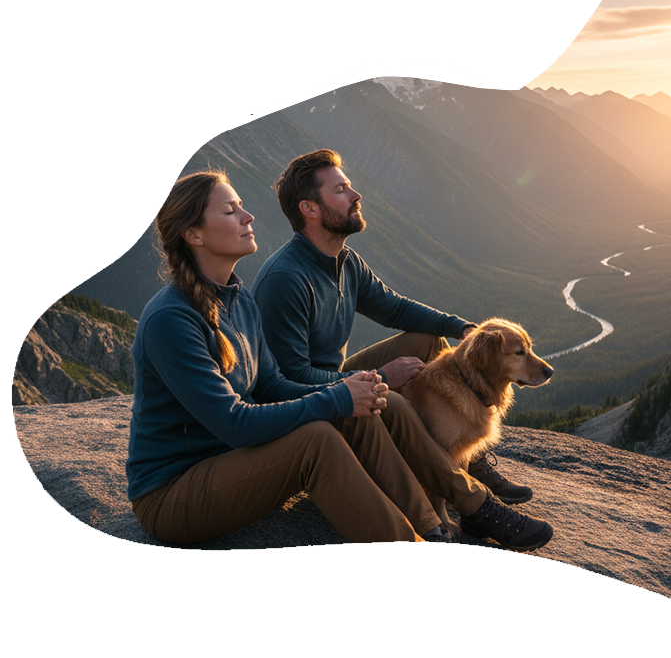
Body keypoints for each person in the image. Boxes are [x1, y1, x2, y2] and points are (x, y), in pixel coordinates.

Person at [125, 169, 520, 639]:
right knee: (317, 437)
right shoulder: (171, 319)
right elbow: (235, 424)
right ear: (193, 234)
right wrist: (335, 396)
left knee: (369, 407)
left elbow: (270, 384)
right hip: (174, 493)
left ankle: (436, 545)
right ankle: (427, 584)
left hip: (230, 464)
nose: (249, 216)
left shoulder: (237, 298)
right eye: (230, 211)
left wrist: (352, 393)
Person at [251, 149, 543, 510]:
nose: (356, 196)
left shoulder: (344, 260)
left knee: (427, 340)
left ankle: (468, 453)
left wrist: (460, 328)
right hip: (306, 402)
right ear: (309, 209)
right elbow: (289, 380)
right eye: (341, 190)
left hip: (333, 376)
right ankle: (453, 486)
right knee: (397, 389)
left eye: (350, 186)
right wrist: (379, 376)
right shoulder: (285, 279)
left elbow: (393, 308)